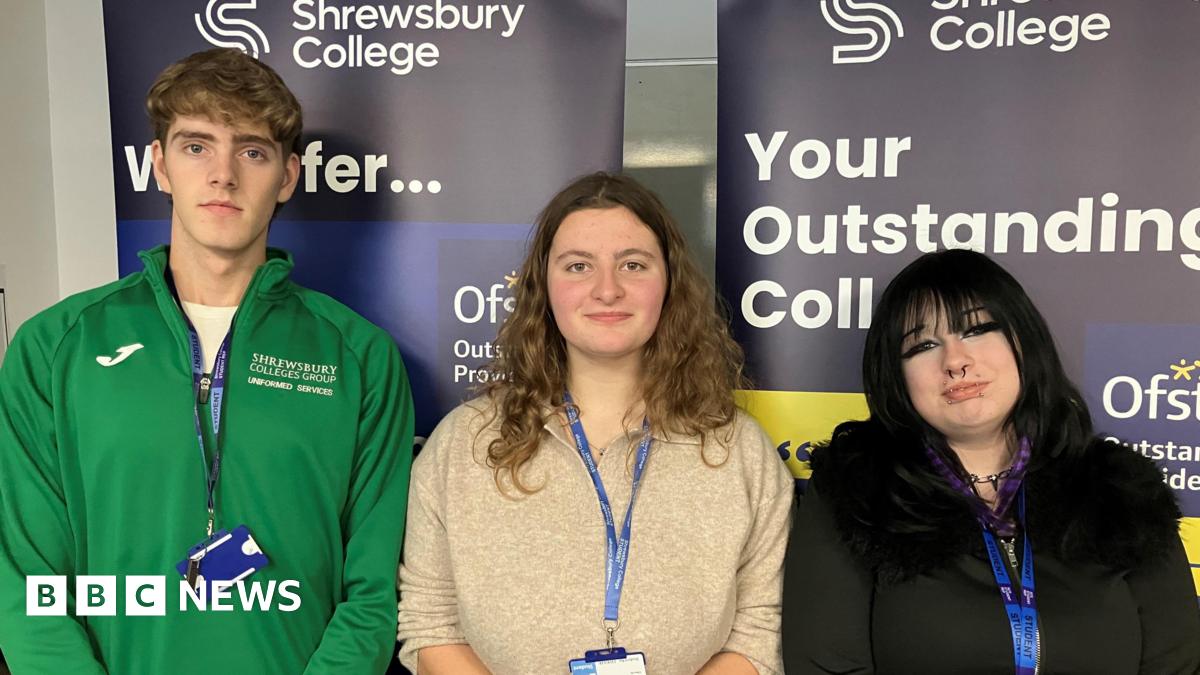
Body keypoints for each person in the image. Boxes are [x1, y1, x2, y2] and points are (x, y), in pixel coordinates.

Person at [0, 48, 414, 673]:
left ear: (289, 176)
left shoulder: (360, 357)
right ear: (159, 166)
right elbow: (29, 585)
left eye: (252, 151)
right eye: (197, 146)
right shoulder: (56, 347)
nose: (224, 175)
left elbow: (373, 597)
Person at [396, 172, 792, 674]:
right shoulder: (464, 443)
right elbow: (430, 622)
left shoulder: (739, 451)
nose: (607, 289)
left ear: (669, 284)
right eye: (579, 266)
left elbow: (760, 629)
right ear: (544, 287)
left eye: (633, 264)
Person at [783, 249, 1200, 674]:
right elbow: (827, 666)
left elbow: (1177, 663)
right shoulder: (856, 490)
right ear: (896, 374)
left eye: (978, 329)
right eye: (923, 345)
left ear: (1024, 340)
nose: (956, 362)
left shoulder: (1120, 490)